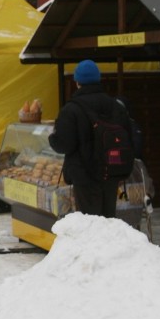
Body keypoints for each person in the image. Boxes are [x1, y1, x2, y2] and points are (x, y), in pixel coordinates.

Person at [48, 59, 133, 218]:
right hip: (111, 172)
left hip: (84, 176)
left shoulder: (71, 109)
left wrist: (52, 138)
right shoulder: (115, 106)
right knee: (108, 220)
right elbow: (129, 137)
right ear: (98, 79)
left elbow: (63, 145)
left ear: (77, 82)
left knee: (90, 223)